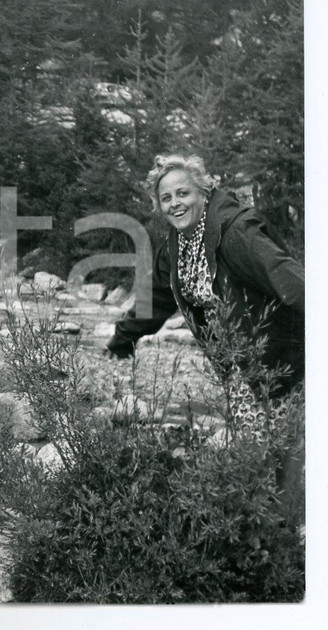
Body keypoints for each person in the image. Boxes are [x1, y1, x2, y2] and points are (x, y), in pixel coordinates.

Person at [106, 153, 304, 520]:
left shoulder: (235, 232)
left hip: (282, 357)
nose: (174, 203)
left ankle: (287, 545)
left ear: (204, 191)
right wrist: (123, 338)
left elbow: (287, 277)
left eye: (183, 193)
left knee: (282, 454)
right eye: (166, 198)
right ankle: (269, 535)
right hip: (240, 367)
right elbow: (158, 299)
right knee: (258, 455)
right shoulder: (179, 245)